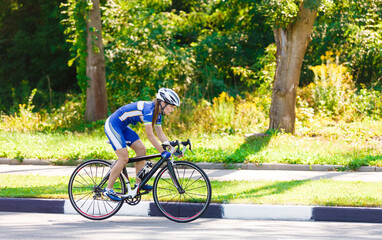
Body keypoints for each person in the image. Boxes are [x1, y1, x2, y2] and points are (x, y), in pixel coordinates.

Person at [103, 88, 180, 201]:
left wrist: (171, 149)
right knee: (124, 158)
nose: (173, 109)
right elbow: (150, 135)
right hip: (113, 125)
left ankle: (139, 184)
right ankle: (108, 189)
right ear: (163, 103)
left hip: (123, 127)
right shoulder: (149, 110)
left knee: (141, 150)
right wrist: (162, 152)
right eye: (172, 106)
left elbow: (160, 133)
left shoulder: (157, 113)